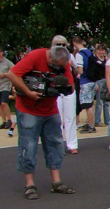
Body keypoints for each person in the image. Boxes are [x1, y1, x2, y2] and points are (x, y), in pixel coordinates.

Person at [6, 42, 76, 199]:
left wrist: (62, 85)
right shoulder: (36, 56)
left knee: (55, 143)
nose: (57, 68)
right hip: (28, 108)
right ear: (50, 56)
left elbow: (70, 87)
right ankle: (29, 184)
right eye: (54, 65)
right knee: (28, 145)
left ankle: (56, 181)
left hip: (50, 109)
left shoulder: (63, 63)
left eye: (61, 67)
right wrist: (28, 92)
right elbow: (12, 74)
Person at [55, 36, 78, 153]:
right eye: (58, 44)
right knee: (57, 118)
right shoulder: (51, 57)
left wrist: (73, 65)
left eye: (64, 45)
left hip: (69, 88)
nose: (61, 47)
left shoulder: (70, 56)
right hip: (56, 89)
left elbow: (78, 72)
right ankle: (58, 144)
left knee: (70, 117)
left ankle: (72, 144)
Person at [73, 36, 96, 137]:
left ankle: (91, 125)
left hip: (85, 80)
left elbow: (80, 70)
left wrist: (75, 68)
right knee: (91, 102)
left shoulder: (79, 55)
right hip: (92, 80)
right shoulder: (89, 52)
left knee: (87, 105)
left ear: (74, 43)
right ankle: (90, 122)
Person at [93, 44, 110, 127]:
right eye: (100, 50)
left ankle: (108, 120)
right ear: (96, 51)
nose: (101, 52)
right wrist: (95, 83)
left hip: (106, 80)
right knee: (99, 102)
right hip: (98, 80)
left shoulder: (107, 60)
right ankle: (97, 121)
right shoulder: (94, 60)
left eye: (103, 50)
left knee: (106, 101)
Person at [0, 48, 15, 130]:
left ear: (1, 52)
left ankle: (9, 120)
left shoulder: (7, 62)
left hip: (5, 85)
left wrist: (5, 74)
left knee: (4, 103)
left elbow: (15, 69)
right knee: (0, 105)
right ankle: (4, 121)